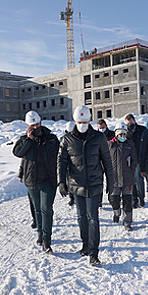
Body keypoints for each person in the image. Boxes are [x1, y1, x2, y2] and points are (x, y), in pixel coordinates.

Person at [58, 105, 115, 266]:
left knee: (92, 217)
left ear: (90, 120)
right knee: (81, 217)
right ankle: (85, 244)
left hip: (94, 184)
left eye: (85, 121)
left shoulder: (98, 137)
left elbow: (107, 161)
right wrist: (61, 181)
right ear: (74, 121)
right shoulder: (67, 139)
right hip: (76, 185)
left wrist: (111, 183)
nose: (82, 124)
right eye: (79, 121)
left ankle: (93, 252)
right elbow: (61, 161)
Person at [13, 111, 59, 253]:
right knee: (37, 209)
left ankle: (47, 240)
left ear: (41, 123)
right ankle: (40, 233)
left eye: (37, 125)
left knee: (46, 210)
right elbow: (18, 153)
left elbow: (60, 158)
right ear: (27, 126)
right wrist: (29, 139)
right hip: (32, 181)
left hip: (48, 181)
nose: (35, 128)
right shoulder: (25, 140)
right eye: (31, 126)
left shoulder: (51, 139)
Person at [107, 124, 137, 231]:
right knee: (114, 200)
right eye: (121, 134)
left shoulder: (130, 145)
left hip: (127, 178)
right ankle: (116, 211)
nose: (123, 136)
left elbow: (134, 159)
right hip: (114, 179)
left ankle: (127, 222)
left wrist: (131, 170)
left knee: (127, 201)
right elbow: (105, 160)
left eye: (124, 134)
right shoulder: (110, 145)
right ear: (116, 134)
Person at [124, 113, 147, 208]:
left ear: (135, 121)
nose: (130, 125)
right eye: (128, 124)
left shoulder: (142, 130)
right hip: (130, 159)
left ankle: (141, 197)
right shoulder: (126, 133)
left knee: (138, 178)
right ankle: (134, 199)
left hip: (140, 158)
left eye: (131, 123)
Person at [63, 121, 76, 206]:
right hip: (68, 165)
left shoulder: (78, 138)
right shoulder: (63, 139)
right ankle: (72, 197)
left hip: (77, 164)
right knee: (70, 182)